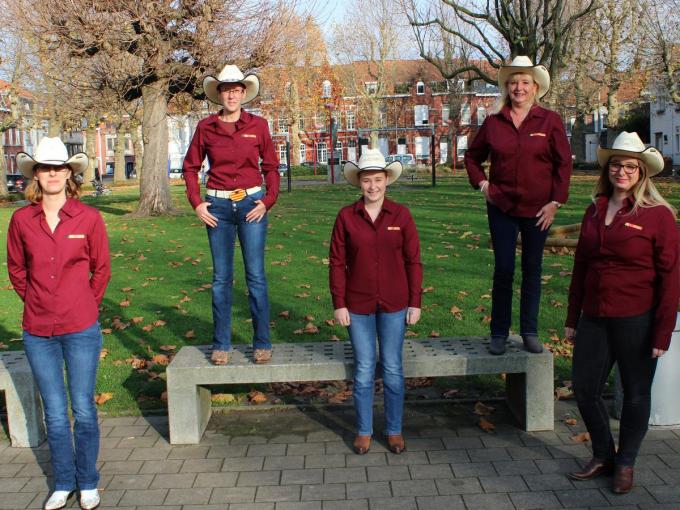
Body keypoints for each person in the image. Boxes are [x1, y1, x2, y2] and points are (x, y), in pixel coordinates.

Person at [565, 131, 679, 494]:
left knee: (635, 394)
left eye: (630, 166)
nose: (622, 171)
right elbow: (581, 265)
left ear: (642, 173)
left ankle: (626, 462)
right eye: (616, 164)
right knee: (585, 389)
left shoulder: (658, 216)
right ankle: (603, 454)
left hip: (638, 319)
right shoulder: (594, 209)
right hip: (595, 317)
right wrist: (572, 317)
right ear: (607, 169)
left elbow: (671, 278)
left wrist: (662, 332)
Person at [7, 137, 111, 510]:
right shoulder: (21, 220)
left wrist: (85, 304)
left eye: (59, 168)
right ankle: (62, 482)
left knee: (82, 407)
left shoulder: (89, 218)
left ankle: (88, 481)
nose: (52, 174)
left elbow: (101, 270)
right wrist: (36, 300)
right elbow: (17, 270)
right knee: (54, 410)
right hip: (38, 331)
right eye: (45, 168)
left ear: (69, 174)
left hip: (81, 326)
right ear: (36, 174)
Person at [465, 55, 572, 355]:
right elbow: (472, 157)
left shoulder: (549, 121)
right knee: (504, 269)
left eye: (525, 82)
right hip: (501, 207)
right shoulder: (494, 122)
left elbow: (564, 164)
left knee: (532, 268)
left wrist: (555, 202)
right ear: (507, 87)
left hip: (539, 210)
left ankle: (529, 331)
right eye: (513, 82)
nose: (519, 88)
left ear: (535, 87)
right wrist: (483, 184)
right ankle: (499, 332)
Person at [183, 64, 280, 365]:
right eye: (226, 90)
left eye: (237, 90)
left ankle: (262, 342)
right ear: (219, 94)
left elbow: (271, 167)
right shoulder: (205, 128)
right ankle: (221, 343)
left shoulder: (258, 126)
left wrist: (268, 200)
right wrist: (197, 203)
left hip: (252, 206)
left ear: (244, 93)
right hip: (218, 208)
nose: (232, 95)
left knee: (256, 278)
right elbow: (190, 167)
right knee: (221, 279)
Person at [329, 149, 423, 455]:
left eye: (378, 180)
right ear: (359, 183)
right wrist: (339, 304)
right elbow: (336, 263)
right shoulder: (346, 216)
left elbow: (414, 262)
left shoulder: (402, 215)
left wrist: (415, 302)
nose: (373, 186)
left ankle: (394, 430)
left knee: (393, 367)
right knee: (365, 367)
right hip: (357, 306)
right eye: (367, 180)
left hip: (395, 304)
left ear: (387, 181)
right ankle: (364, 431)